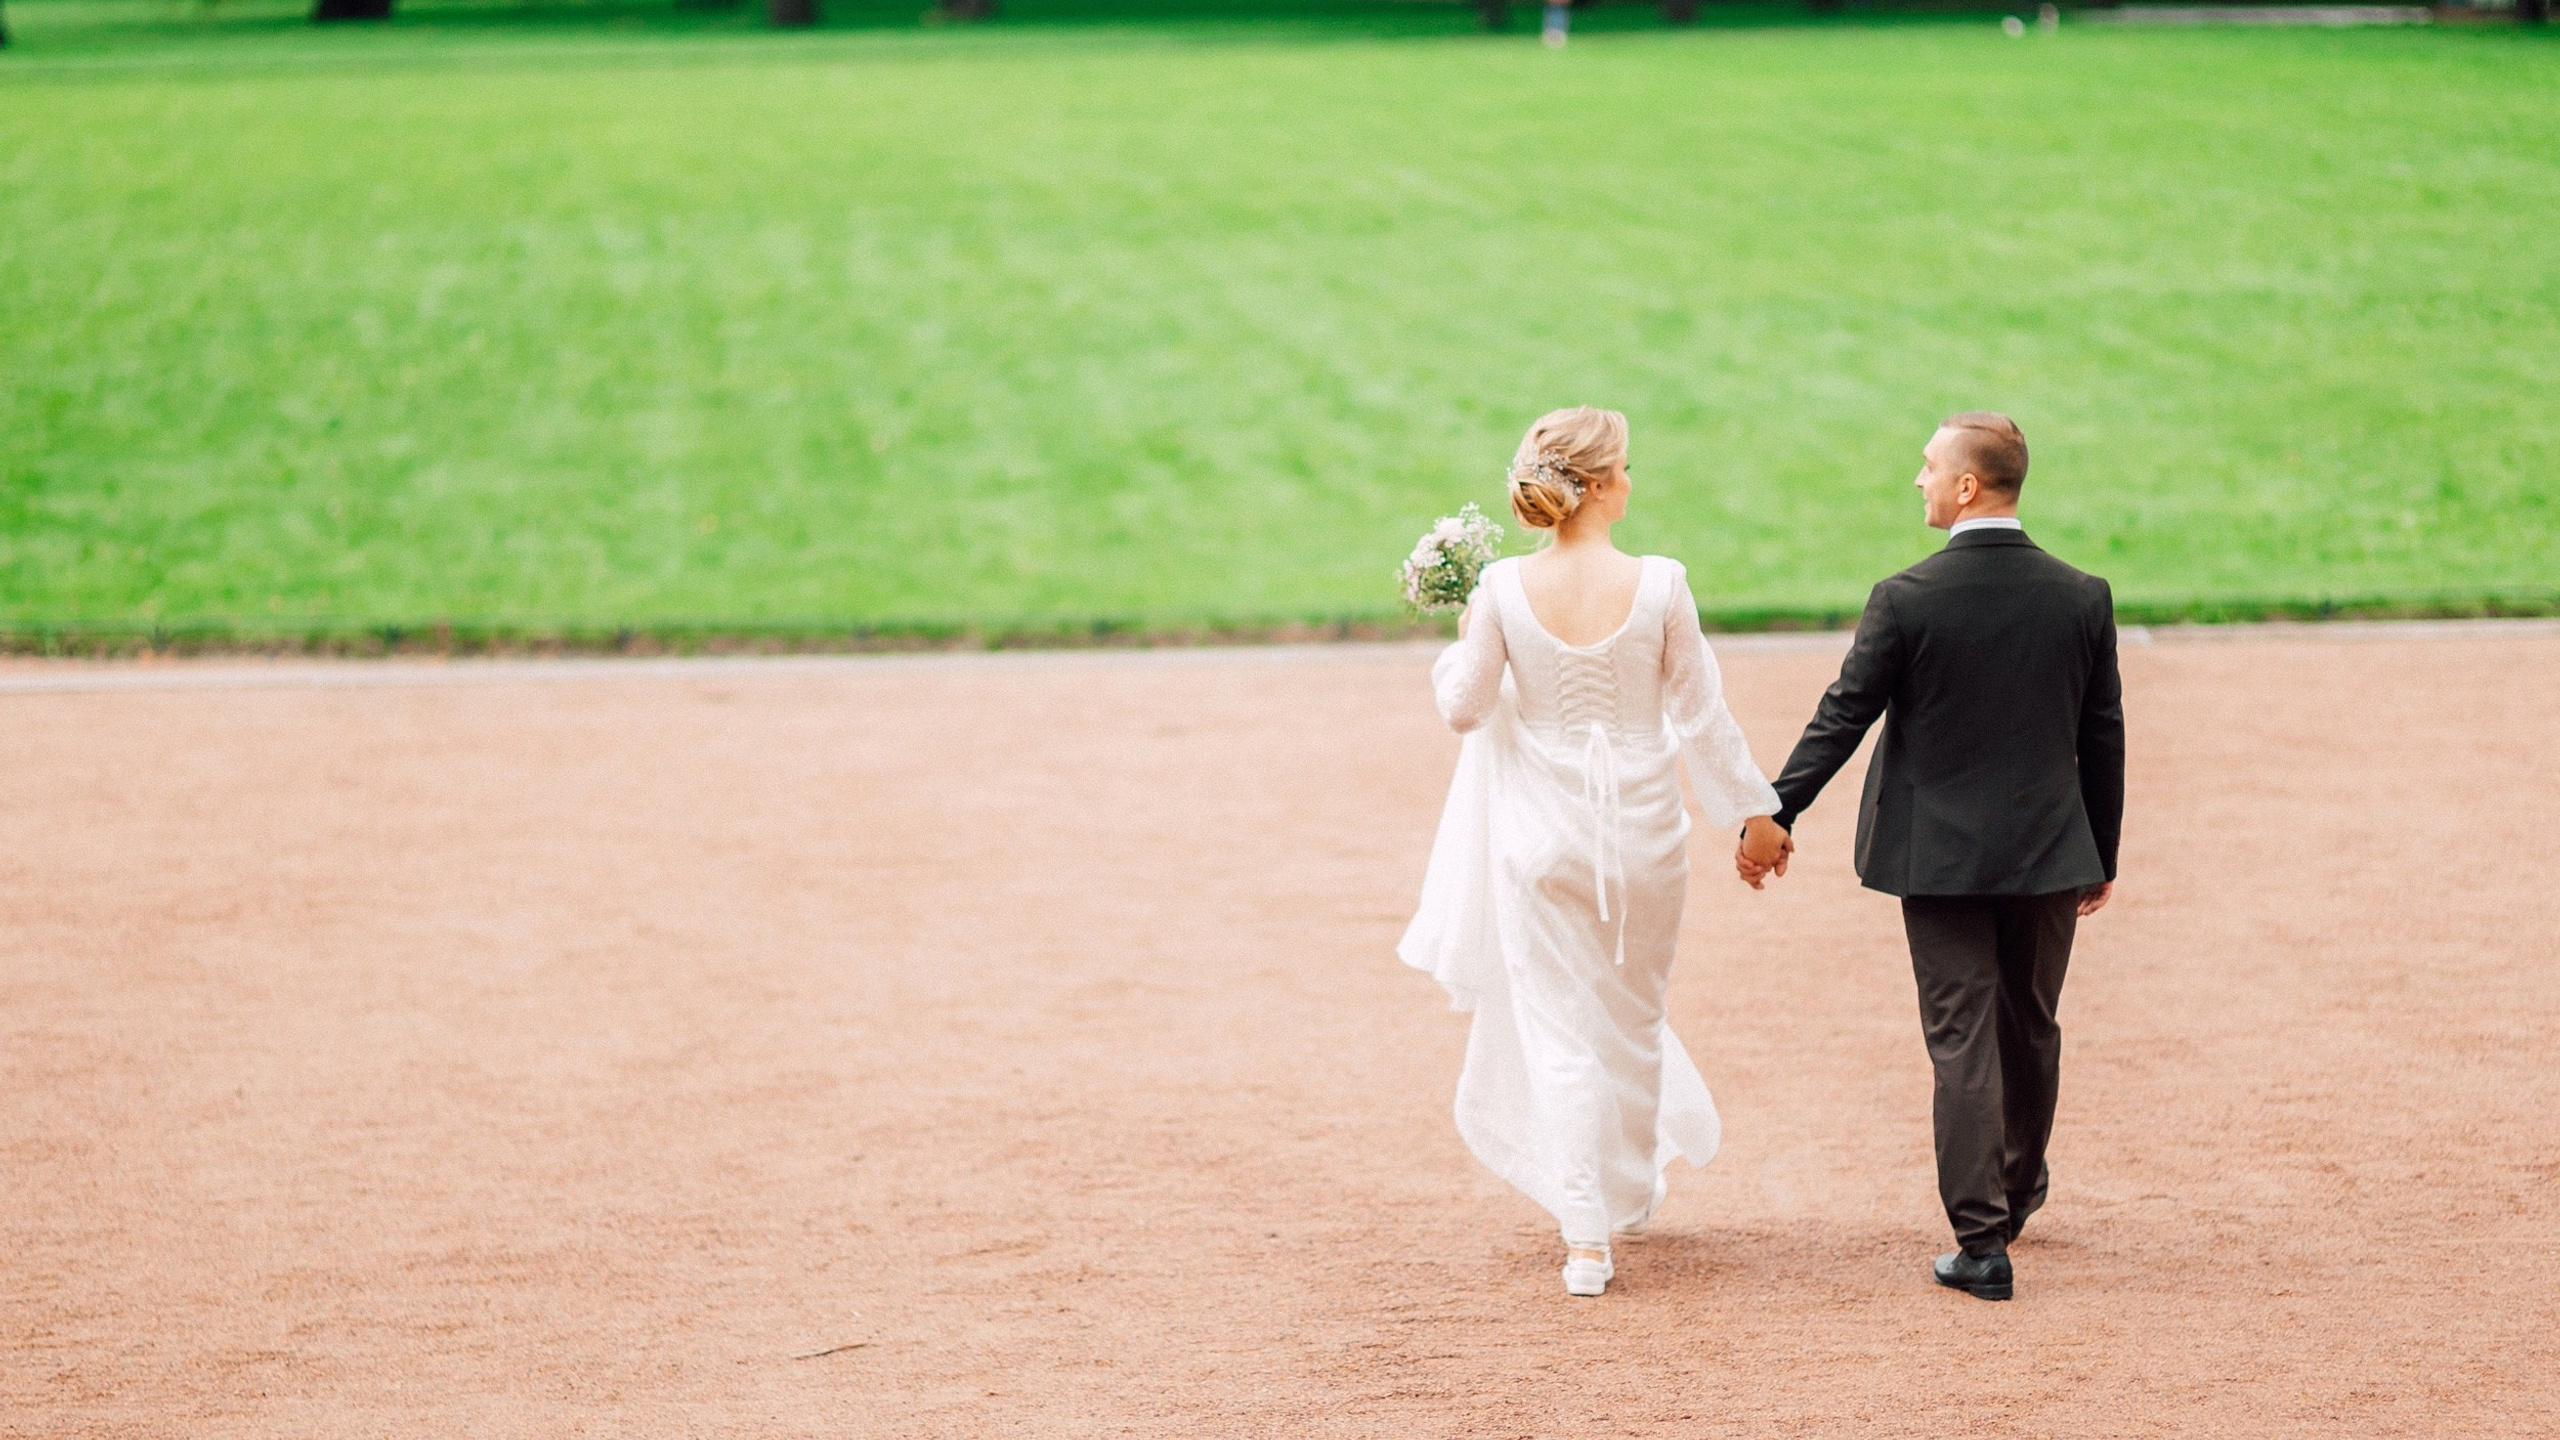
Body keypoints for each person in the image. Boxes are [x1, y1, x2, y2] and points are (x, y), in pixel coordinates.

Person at [1399, 407, 1787, 1298]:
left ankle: (1586, 1242)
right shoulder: (1662, 584)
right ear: (1605, 485)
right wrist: (1754, 813)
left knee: (1558, 1034)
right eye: (1628, 470)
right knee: (1636, 1019)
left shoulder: (1499, 589)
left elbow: (1464, 709)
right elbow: (1699, 715)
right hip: (1646, 840)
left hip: (1538, 844)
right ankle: (1627, 1199)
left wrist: (1460, 644)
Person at [1737, 412, 2124, 1302]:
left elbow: (1843, 714)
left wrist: (1774, 812)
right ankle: (2019, 1188)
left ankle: (1982, 1243)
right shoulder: (2081, 595)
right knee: (2031, 1024)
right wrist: (2100, 851)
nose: (1917, 480)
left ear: (1966, 488)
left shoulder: (1907, 597)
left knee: (1961, 1038)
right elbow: (2103, 734)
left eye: (1927, 467)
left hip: (1939, 859)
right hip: (2050, 853)